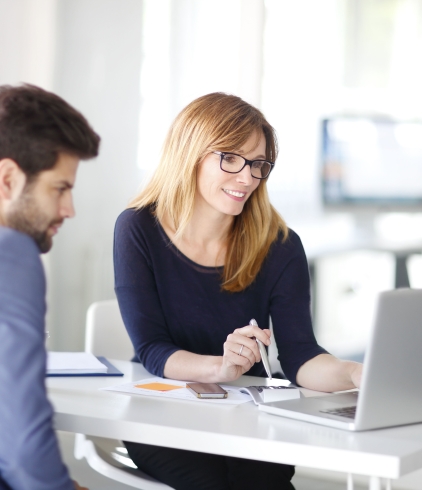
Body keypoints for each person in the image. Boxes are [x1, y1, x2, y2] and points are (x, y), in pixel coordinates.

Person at [114, 92, 362, 490]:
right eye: (230, 158)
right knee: (209, 481)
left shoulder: (280, 244)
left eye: (258, 164)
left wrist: (355, 372)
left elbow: (300, 356)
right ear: (190, 153)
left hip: (251, 415)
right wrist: (221, 367)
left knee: (266, 481)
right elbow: (152, 349)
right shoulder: (138, 228)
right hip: (163, 412)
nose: (247, 177)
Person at [0, 84, 100, 490]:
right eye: (60, 188)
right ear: (8, 179)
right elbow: (23, 450)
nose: (69, 210)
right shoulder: (12, 253)